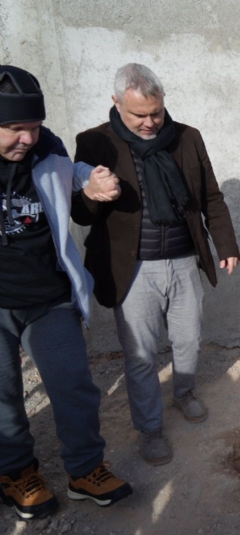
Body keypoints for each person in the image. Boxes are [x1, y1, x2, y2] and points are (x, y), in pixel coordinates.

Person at [72, 63, 240, 466]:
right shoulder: (95, 142)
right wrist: (95, 195)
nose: (150, 123)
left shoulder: (187, 138)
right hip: (133, 270)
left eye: (156, 113)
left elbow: (211, 197)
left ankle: (183, 393)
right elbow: (81, 214)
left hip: (183, 260)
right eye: (139, 115)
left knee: (187, 339)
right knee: (141, 354)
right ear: (116, 104)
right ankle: (150, 428)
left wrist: (226, 243)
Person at [0, 65, 132, 520]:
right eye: (15, 129)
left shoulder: (47, 149)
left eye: (33, 127)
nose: (27, 139)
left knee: (74, 386)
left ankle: (85, 470)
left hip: (48, 297)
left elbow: (70, 170)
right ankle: (17, 471)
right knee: (3, 395)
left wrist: (90, 183)